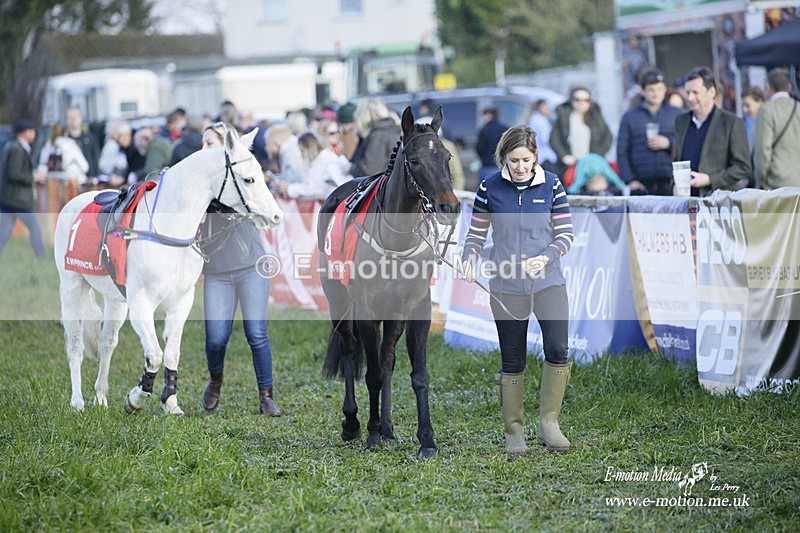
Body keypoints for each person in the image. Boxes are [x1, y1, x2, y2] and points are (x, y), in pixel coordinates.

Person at [460, 125, 574, 455]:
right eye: (513, 161)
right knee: (512, 359)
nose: (521, 167)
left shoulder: (552, 184)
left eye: (526, 160)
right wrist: (469, 258)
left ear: (535, 156)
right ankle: (514, 431)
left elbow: (565, 235)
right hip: (506, 285)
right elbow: (476, 235)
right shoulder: (489, 187)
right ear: (503, 159)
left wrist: (545, 257)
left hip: (549, 282)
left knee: (557, 349)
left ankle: (549, 425)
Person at [199, 121, 280, 417]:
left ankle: (266, 395)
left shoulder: (241, 176)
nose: (203, 148)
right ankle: (215, 381)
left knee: (256, 333)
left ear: (227, 146)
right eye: (203, 142)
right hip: (217, 270)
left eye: (210, 143)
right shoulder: (201, 182)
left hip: (250, 266)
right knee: (216, 338)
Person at [674, 66, 750, 195]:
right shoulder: (680, 121)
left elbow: (743, 167)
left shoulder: (731, 123)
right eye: (688, 93)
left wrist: (710, 179)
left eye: (695, 92)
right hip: (686, 199)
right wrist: (674, 184)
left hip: (718, 200)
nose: (690, 98)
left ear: (711, 92)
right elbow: (678, 160)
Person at [616, 68, 683, 195]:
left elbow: (688, 145)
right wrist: (630, 180)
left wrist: (669, 143)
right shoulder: (629, 117)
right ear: (642, 91)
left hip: (671, 183)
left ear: (665, 89)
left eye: (660, 89)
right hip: (641, 185)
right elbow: (621, 152)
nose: (656, 94)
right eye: (651, 90)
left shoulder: (678, 115)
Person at [0, 119, 46, 259]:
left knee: (5, 231)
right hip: (18, 200)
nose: (34, 134)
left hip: (9, 198)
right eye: (32, 131)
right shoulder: (17, 149)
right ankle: (42, 257)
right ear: (26, 132)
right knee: (35, 227)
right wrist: (34, 176)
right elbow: (14, 174)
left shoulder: (12, 146)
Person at [550, 87, 613, 177]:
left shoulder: (596, 117)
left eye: (586, 100)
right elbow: (554, 139)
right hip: (569, 167)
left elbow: (608, 138)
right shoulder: (563, 116)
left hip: (592, 165)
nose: (581, 103)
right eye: (577, 99)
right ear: (571, 100)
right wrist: (564, 156)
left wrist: (596, 156)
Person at [754, 68, 800, 190]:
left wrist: (760, 180)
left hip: (777, 183)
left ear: (769, 88)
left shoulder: (766, 110)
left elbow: (763, 150)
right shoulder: (798, 108)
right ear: (789, 87)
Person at [275, 132, 351, 199]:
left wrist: (289, 188)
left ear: (308, 148)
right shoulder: (324, 158)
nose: (302, 156)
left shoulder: (323, 160)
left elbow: (313, 189)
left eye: (302, 151)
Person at [348, 98, 401, 178]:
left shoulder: (378, 135)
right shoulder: (391, 130)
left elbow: (370, 170)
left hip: (382, 183)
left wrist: (351, 169)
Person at [65, 106, 100, 179]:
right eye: (70, 117)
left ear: (81, 118)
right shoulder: (62, 141)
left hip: (88, 180)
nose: (73, 119)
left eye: (76, 116)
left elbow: (96, 159)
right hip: (68, 180)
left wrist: (94, 177)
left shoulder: (90, 139)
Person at [475, 107, 509, 182]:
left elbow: (479, 148)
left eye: (483, 115)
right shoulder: (505, 128)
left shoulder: (485, 129)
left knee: (485, 187)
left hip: (487, 165)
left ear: (489, 115)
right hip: (502, 166)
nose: (482, 118)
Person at [526, 99, 557, 173]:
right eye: (546, 108)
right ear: (540, 108)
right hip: (545, 156)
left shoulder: (532, 118)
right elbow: (546, 138)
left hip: (537, 155)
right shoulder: (541, 120)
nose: (548, 111)